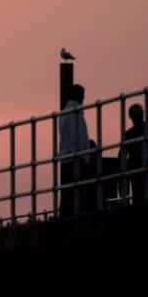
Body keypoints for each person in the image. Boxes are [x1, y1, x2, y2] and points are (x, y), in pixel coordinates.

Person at [56, 83, 90, 218]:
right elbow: (79, 137)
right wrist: (85, 157)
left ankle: (63, 215)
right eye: (82, 95)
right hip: (76, 157)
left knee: (67, 192)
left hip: (65, 157)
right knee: (76, 191)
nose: (83, 98)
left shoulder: (63, 113)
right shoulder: (76, 113)